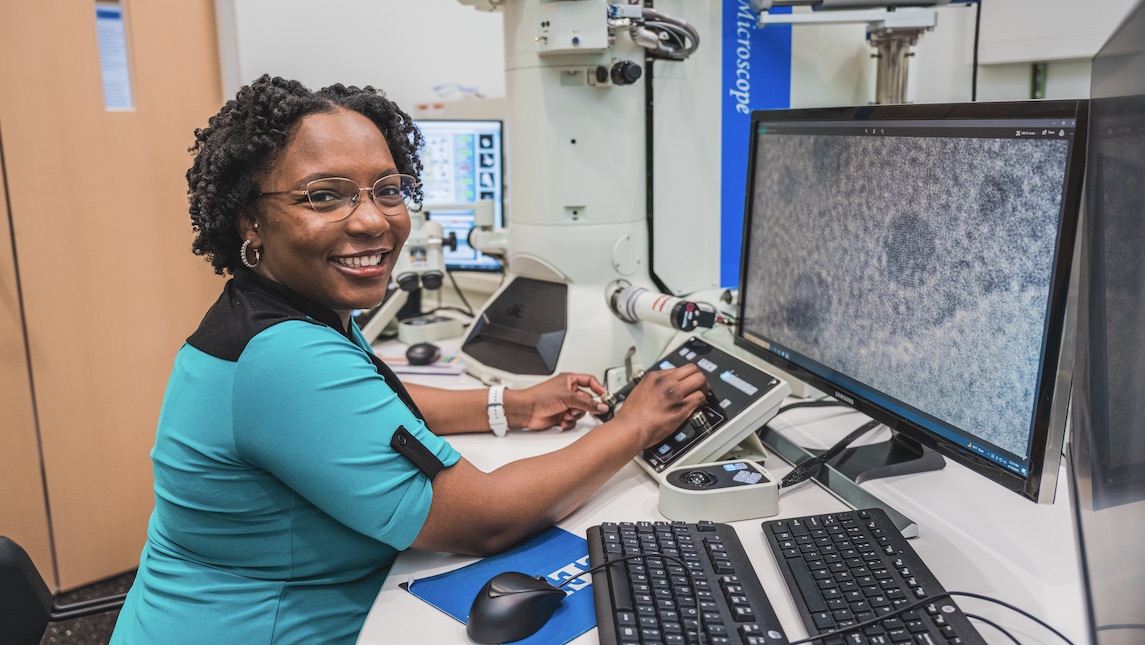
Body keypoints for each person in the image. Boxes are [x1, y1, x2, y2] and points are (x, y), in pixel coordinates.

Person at [109, 75, 708, 644]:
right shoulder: (283, 354)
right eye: (324, 196)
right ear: (250, 218)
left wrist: (511, 405)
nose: (372, 220)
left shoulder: (279, 310)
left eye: (388, 190)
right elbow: (484, 519)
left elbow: (369, 411)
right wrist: (634, 427)